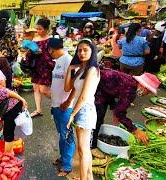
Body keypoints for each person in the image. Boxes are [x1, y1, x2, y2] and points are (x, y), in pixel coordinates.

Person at [92, 69, 161, 148]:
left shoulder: (131, 81)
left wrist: (115, 110)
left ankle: (94, 136)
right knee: (96, 118)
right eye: (148, 92)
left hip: (102, 88)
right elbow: (120, 113)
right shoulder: (130, 90)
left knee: (99, 117)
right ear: (143, 87)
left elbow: (112, 91)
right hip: (94, 86)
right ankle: (92, 146)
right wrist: (135, 130)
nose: (147, 94)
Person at [64, 39, 100, 180]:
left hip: (85, 111)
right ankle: (88, 176)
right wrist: (69, 69)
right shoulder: (82, 70)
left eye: (85, 50)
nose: (82, 52)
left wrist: (73, 113)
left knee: (83, 150)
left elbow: (85, 96)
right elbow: (68, 88)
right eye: (79, 50)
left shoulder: (92, 70)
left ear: (92, 52)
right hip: (80, 109)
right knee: (82, 149)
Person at [49, 38, 75, 176]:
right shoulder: (58, 61)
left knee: (67, 136)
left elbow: (74, 85)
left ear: (50, 49)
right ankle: (62, 158)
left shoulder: (68, 60)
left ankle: (67, 166)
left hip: (66, 107)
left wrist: (68, 102)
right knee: (62, 135)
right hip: (56, 106)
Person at [26, 18, 55, 118]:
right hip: (35, 66)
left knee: (44, 90)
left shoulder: (51, 40)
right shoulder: (34, 39)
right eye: (37, 29)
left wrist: (42, 53)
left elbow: (53, 55)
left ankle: (59, 103)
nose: (38, 31)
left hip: (45, 67)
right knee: (36, 88)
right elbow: (30, 53)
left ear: (46, 29)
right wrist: (28, 52)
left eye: (40, 29)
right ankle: (38, 109)